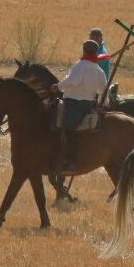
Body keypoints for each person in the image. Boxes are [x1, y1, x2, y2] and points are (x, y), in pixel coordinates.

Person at [50, 40, 108, 173]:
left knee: (67, 129)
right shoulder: (98, 70)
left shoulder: (80, 66)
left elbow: (71, 81)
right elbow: (103, 91)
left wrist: (57, 86)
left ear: (84, 50)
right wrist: (102, 104)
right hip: (88, 105)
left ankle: (71, 161)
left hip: (73, 105)